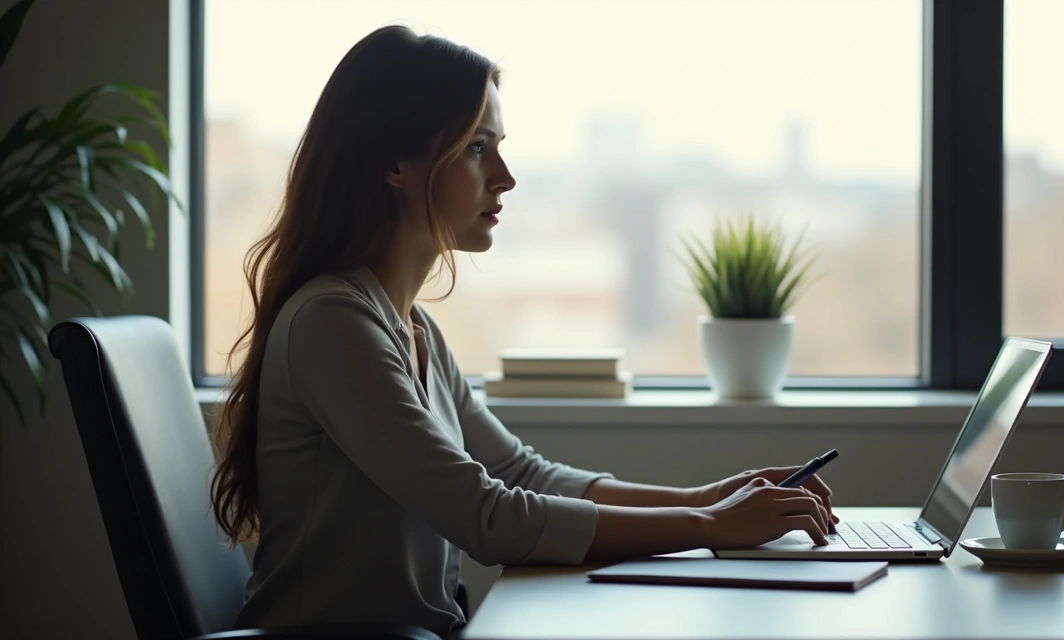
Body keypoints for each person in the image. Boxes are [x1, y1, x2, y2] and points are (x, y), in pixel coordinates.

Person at [208, 25, 837, 640]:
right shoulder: (333, 325)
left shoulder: (411, 326)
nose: (504, 176)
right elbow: (488, 517)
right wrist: (706, 524)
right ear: (395, 163)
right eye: (477, 148)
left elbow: (519, 473)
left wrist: (703, 498)